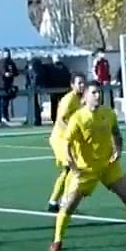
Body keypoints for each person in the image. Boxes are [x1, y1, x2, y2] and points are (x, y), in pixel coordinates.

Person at [50, 83, 126, 251]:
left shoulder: (108, 114)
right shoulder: (77, 118)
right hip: (85, 170)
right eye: (94, 93)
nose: (98, 96)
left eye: (99, 92)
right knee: (68, 206)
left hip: (108, 166)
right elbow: (67, 144)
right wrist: (73, 166)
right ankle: (57, 240)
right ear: (85, 97)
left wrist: (118, 150)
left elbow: (116, 133)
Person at [47, 73, 87, 212]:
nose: (82, 85)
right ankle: (64, 201)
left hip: (68, 139)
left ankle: (54, 202)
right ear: (72, 85)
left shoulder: (80, 99)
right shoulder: (68, 100)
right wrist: (71, 133)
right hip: (60, 139)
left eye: (83, 83)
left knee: (69, 170)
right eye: (79, 83)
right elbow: (60, 120)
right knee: (71, 168)